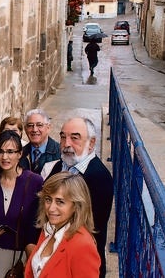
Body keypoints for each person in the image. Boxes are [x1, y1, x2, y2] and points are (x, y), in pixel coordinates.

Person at [43, 117, 113, 278]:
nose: (66, 144)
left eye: (75, 138)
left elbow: (91, 227)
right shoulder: (60, 166)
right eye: (62, 137)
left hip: (79, 265)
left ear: (92, 143)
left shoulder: (99, 177)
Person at [0, 131, 43, 278]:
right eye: (0, 151)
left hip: (21, 255)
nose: (4, 157)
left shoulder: (35, 182)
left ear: (20, 154)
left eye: (10, 152)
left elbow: (39, 221)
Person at [25, 172, 100, 277]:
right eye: (48, 200)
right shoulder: (48, 229)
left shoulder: (83, 245)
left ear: (76, 206)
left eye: (60, 202)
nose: (51, 208)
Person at [19, 109, 60, 175]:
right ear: (25, 129)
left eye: (39, 125)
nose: (34, 130)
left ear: (48, 128)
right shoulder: (20, 154)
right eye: (30, 125)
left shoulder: (60, 153)